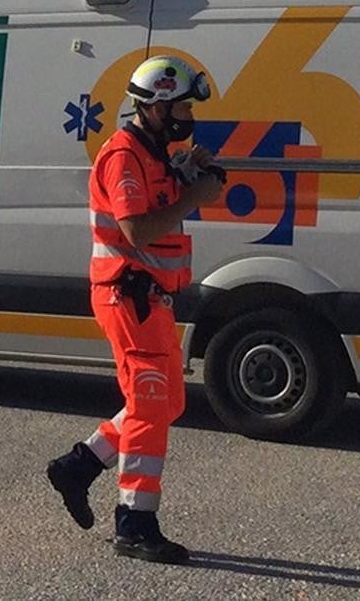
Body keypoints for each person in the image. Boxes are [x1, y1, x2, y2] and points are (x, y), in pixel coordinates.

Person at [47, 56, 225, 565]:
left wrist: (189, 174)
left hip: (148, 298)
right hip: (128, 296)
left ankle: (78, 466)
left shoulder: (153, 153)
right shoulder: (123, 156)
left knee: (166, 404)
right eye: (182, 106)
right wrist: (195, 195)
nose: (187, 115)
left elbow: (158, 203)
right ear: (156, 106)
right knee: (150, 407)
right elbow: (138, 231)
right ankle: (134, 523)